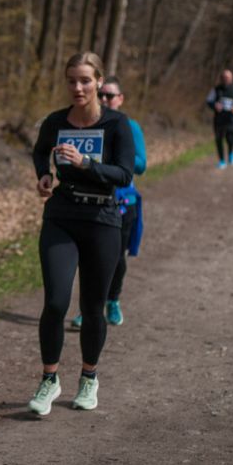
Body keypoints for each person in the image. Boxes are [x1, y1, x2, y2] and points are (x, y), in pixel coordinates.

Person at [28, 52, 134, 415]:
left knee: (92, 308)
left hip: (103, 219)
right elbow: (41, 152)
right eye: (72, 80)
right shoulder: (56, 122)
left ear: (99, 82)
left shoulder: (117, 125)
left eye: (85, 80)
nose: (78, 87)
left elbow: (124, 174)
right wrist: (44, 174)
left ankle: (89, 378)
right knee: (56, 302)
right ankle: (48, 380)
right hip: (62, 214)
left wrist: (86, 163)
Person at [71, 75, 146, 329]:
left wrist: (117, 158)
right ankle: (89, 308)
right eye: (102, 95)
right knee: (89, 258)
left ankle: (113, 301)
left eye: (110, 96)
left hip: (123, 202)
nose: (105, 99)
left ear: (121, 99)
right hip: (91, 201)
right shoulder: (88, 125)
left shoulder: (130, 126)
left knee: (116, 258)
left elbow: (142, 165)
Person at [205, 69, 233, 169]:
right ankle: (222, 160)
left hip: (231, 119)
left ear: (231, 78)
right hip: (219, 119)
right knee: (219, 139)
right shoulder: (216, 89)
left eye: (228, 77)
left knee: (230, 138)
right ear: (221, 78)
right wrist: (214, 105)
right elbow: (209, 101)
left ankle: (231, 152)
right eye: (224, 77)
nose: (226, 79)